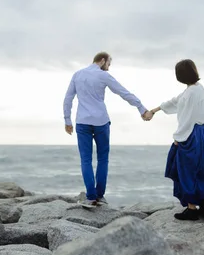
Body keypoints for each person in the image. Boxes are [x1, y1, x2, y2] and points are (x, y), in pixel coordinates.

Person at [144, 59, 204, 220]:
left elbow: (187, 118)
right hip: (203, 135)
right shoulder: (197, 89)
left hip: (191, 135)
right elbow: (175, 101)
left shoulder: (190, 94)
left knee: (185, 170)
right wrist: (154, 110)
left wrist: (178, 138)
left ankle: (192, 208)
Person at [63, 52, 150, 207]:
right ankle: (100, 195)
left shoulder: (77, 75)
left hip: (82, 122)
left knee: (86, 160)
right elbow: (124, 92)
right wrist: (141, 108)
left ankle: (91, 197)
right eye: (109, 64)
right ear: (102, 61)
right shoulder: (103, 76)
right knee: (103, 159)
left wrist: (67, 120)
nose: (108, 68)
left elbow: (68, 98)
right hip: (101, 121)